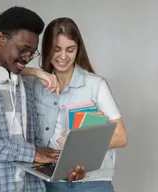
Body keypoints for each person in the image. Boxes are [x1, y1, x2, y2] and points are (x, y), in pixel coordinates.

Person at [0, 8, 84, 192]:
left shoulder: (24, 85)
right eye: (23, 49)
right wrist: (30, 153)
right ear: (1, 39)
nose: (27, 58)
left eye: (32, 53)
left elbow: (35, 143)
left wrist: (62, 167)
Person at [22, 17, 128, 192]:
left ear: (78, 49)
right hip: (48, 182)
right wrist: (35, 72)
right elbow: (2, 68)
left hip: (93, 182)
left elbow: (121, 138)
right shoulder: (34, 83)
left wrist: (77, 144)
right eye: (56, 50)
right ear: (47, 49)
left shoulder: (95, 84)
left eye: (70, 50)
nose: (63, 57)